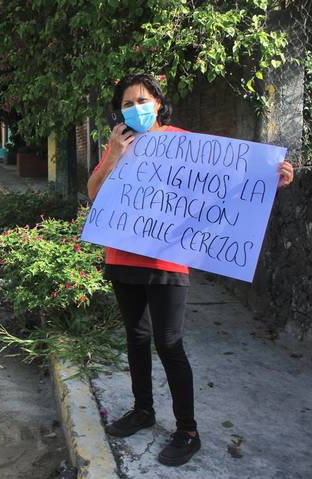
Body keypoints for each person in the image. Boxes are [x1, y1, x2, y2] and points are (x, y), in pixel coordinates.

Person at [87, 73, 294, 467]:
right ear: (119, 111)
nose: (135, 109)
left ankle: (187, 430)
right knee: (136, 337)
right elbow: (95, 193)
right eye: (127, 104)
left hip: (167, 260)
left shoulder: (185, 142)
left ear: (159, 103)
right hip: (122, 258)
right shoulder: (118, 144)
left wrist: (273, 177)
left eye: (142, 100)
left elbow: (228, 181)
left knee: (169, 343)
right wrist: (113, 155)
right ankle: (143, 409)